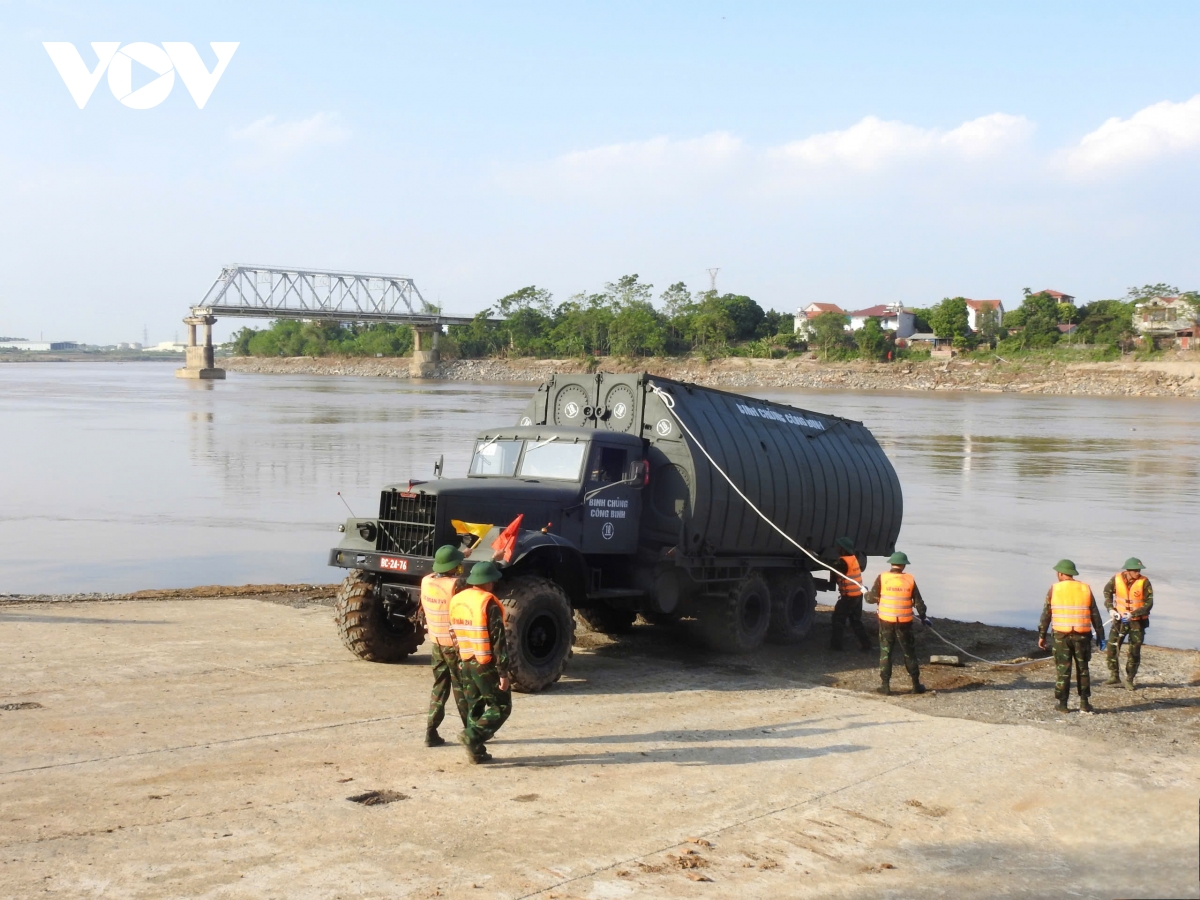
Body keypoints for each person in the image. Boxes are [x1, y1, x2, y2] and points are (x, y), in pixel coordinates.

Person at [448, 560, 512, 764]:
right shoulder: (488, 603)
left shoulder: (458, 599)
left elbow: (453, 632)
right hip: (484, 662)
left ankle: (476, 752)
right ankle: (472, 736)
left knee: (474, 705)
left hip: (465, 659)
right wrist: (503, 672)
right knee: (501, 706)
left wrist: (459, 659)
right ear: (488, 581)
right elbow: (498, 641)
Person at [1037, 559, 1106, 713]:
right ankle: (1084, 703)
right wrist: (1101, 636)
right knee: (1083, 669)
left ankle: (1062, 704)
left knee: (1063, 670)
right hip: (1082, 636)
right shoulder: (1085, 588)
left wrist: (1042, 635)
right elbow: (1095, 615)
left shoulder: (1054, 589)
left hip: (1061, 637)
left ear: (1060, 573)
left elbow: (1046, 614)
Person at [419, 545, 469, 748]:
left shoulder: (426, 581)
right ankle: (471, 730)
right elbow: (478, 583)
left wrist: (460, 555)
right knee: (462, 689)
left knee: (439, 688)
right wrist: (493, 560)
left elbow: (438, 572)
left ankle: (431, 732)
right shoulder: (456, 585)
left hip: (436, 643)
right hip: (454, 646)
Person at [865, 551, 929, 696]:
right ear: (903, 565)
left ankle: (885, 686)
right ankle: (915, 685)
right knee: (909, 653)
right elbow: (919, 604)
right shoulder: (910, 579)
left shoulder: (883, 577)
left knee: (886, 652)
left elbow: (871, 599)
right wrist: (924, 617)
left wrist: (865, 594)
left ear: (891, 564)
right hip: (904, 623)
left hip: (886, 621)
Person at [1103, 558, 1153, 691]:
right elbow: (1106, 593)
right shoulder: (1116, 579)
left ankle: (1129, 679)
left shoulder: (1144, 582)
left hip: (1137, 623)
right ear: (1128, 570)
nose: (1138, 572)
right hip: (1119, 620)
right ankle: (1114, 675)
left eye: (1139, 570)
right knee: (1112, 647)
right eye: (1135, 570)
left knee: (1134, 651)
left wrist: (1134, 614)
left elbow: (1149, 603)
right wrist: (1111, 609)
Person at [829, 536, 871, 652]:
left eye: (839, 547)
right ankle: (866, 644)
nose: (837, 548)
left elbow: (831, 565)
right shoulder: (853, 558)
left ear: (843, 549)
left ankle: (836, 647)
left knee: (838, 619)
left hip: (848, 597)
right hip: (857, 595)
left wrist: (814, 556)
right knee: (855, 621)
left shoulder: (843, 562)